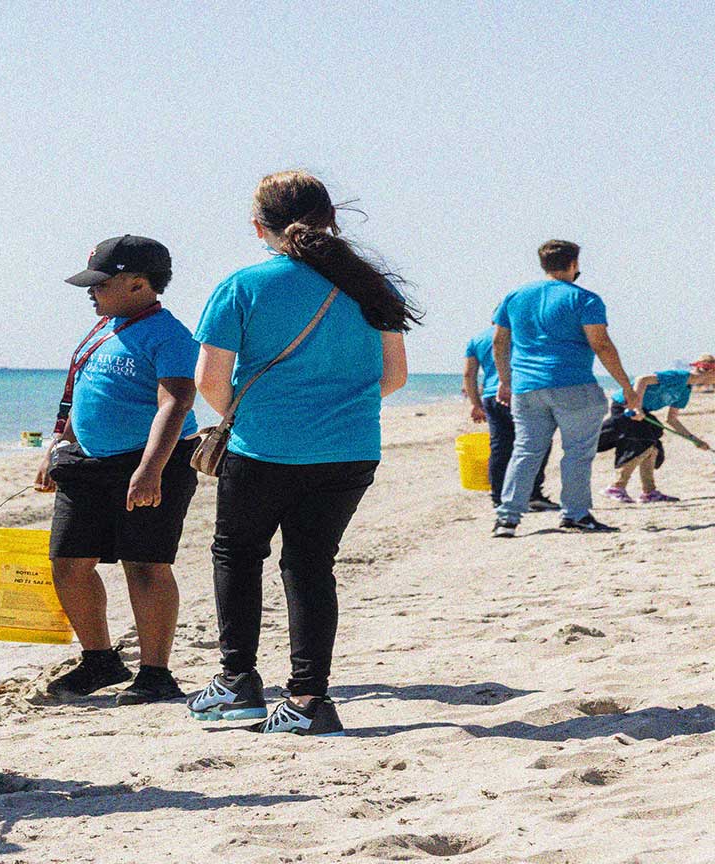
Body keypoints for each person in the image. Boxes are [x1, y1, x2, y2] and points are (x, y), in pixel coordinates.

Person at [186, 171, 415, 737]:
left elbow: (210, 383)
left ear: (258, 226)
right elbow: (394, 377)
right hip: (350, 448)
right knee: (311, 566)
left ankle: (238, 683)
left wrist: (248, 412)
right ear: (331, 219)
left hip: (263, 446)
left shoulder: (245, 285)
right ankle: (310, 701)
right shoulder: (371, 286)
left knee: (237, 556)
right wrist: (336, 403)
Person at [31, 236, 200, 705]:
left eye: (100, 283)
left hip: (149, 463)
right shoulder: (104, 328)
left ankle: (156, 672)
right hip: (88, 463)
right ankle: (100, 660)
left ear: (138, 283)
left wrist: (151, 468)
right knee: (67, 564)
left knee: (145, 565)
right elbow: (79, 392)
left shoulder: (170, 335)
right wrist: (57, 443)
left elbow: (177, 401)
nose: (91, 292)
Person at [490, 240, 634, 537]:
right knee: (577, 454)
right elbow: (601, 344)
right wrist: (625, 386)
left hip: (526, 387)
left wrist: (505, 380)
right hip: (572, 384)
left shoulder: (515, 296)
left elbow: (499, 342)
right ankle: (576, 515)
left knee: (526, 451)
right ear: (573, 264)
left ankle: (507, 518)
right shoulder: (585, 299)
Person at [463, 326, 553, 511]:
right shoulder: (524, 332)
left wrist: (475, 403)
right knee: (537, 443)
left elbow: (469, 374)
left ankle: (498, 498)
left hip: (491, 397)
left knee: (500, 447)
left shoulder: (477, 338)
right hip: (521, 392)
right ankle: (532, 494)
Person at [602, 359, 715, 502]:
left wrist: (695, 440)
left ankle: (649, 492)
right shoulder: (679, 376)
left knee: (653, 448)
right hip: (626, 406)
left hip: (643, 411)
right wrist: (636, 406)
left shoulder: (685, 391)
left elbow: (672, 419)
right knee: (643, 444)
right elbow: (642, 380)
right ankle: (616, 487)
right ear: (711, 373)